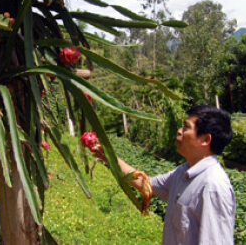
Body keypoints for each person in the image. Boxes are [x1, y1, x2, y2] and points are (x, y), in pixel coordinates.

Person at [93, 105, 236, 245]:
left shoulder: (212, 186)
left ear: (205, 140)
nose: (179, 131)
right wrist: (109, 157)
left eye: (186, 127)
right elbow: (147, 184)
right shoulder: (182, 172)